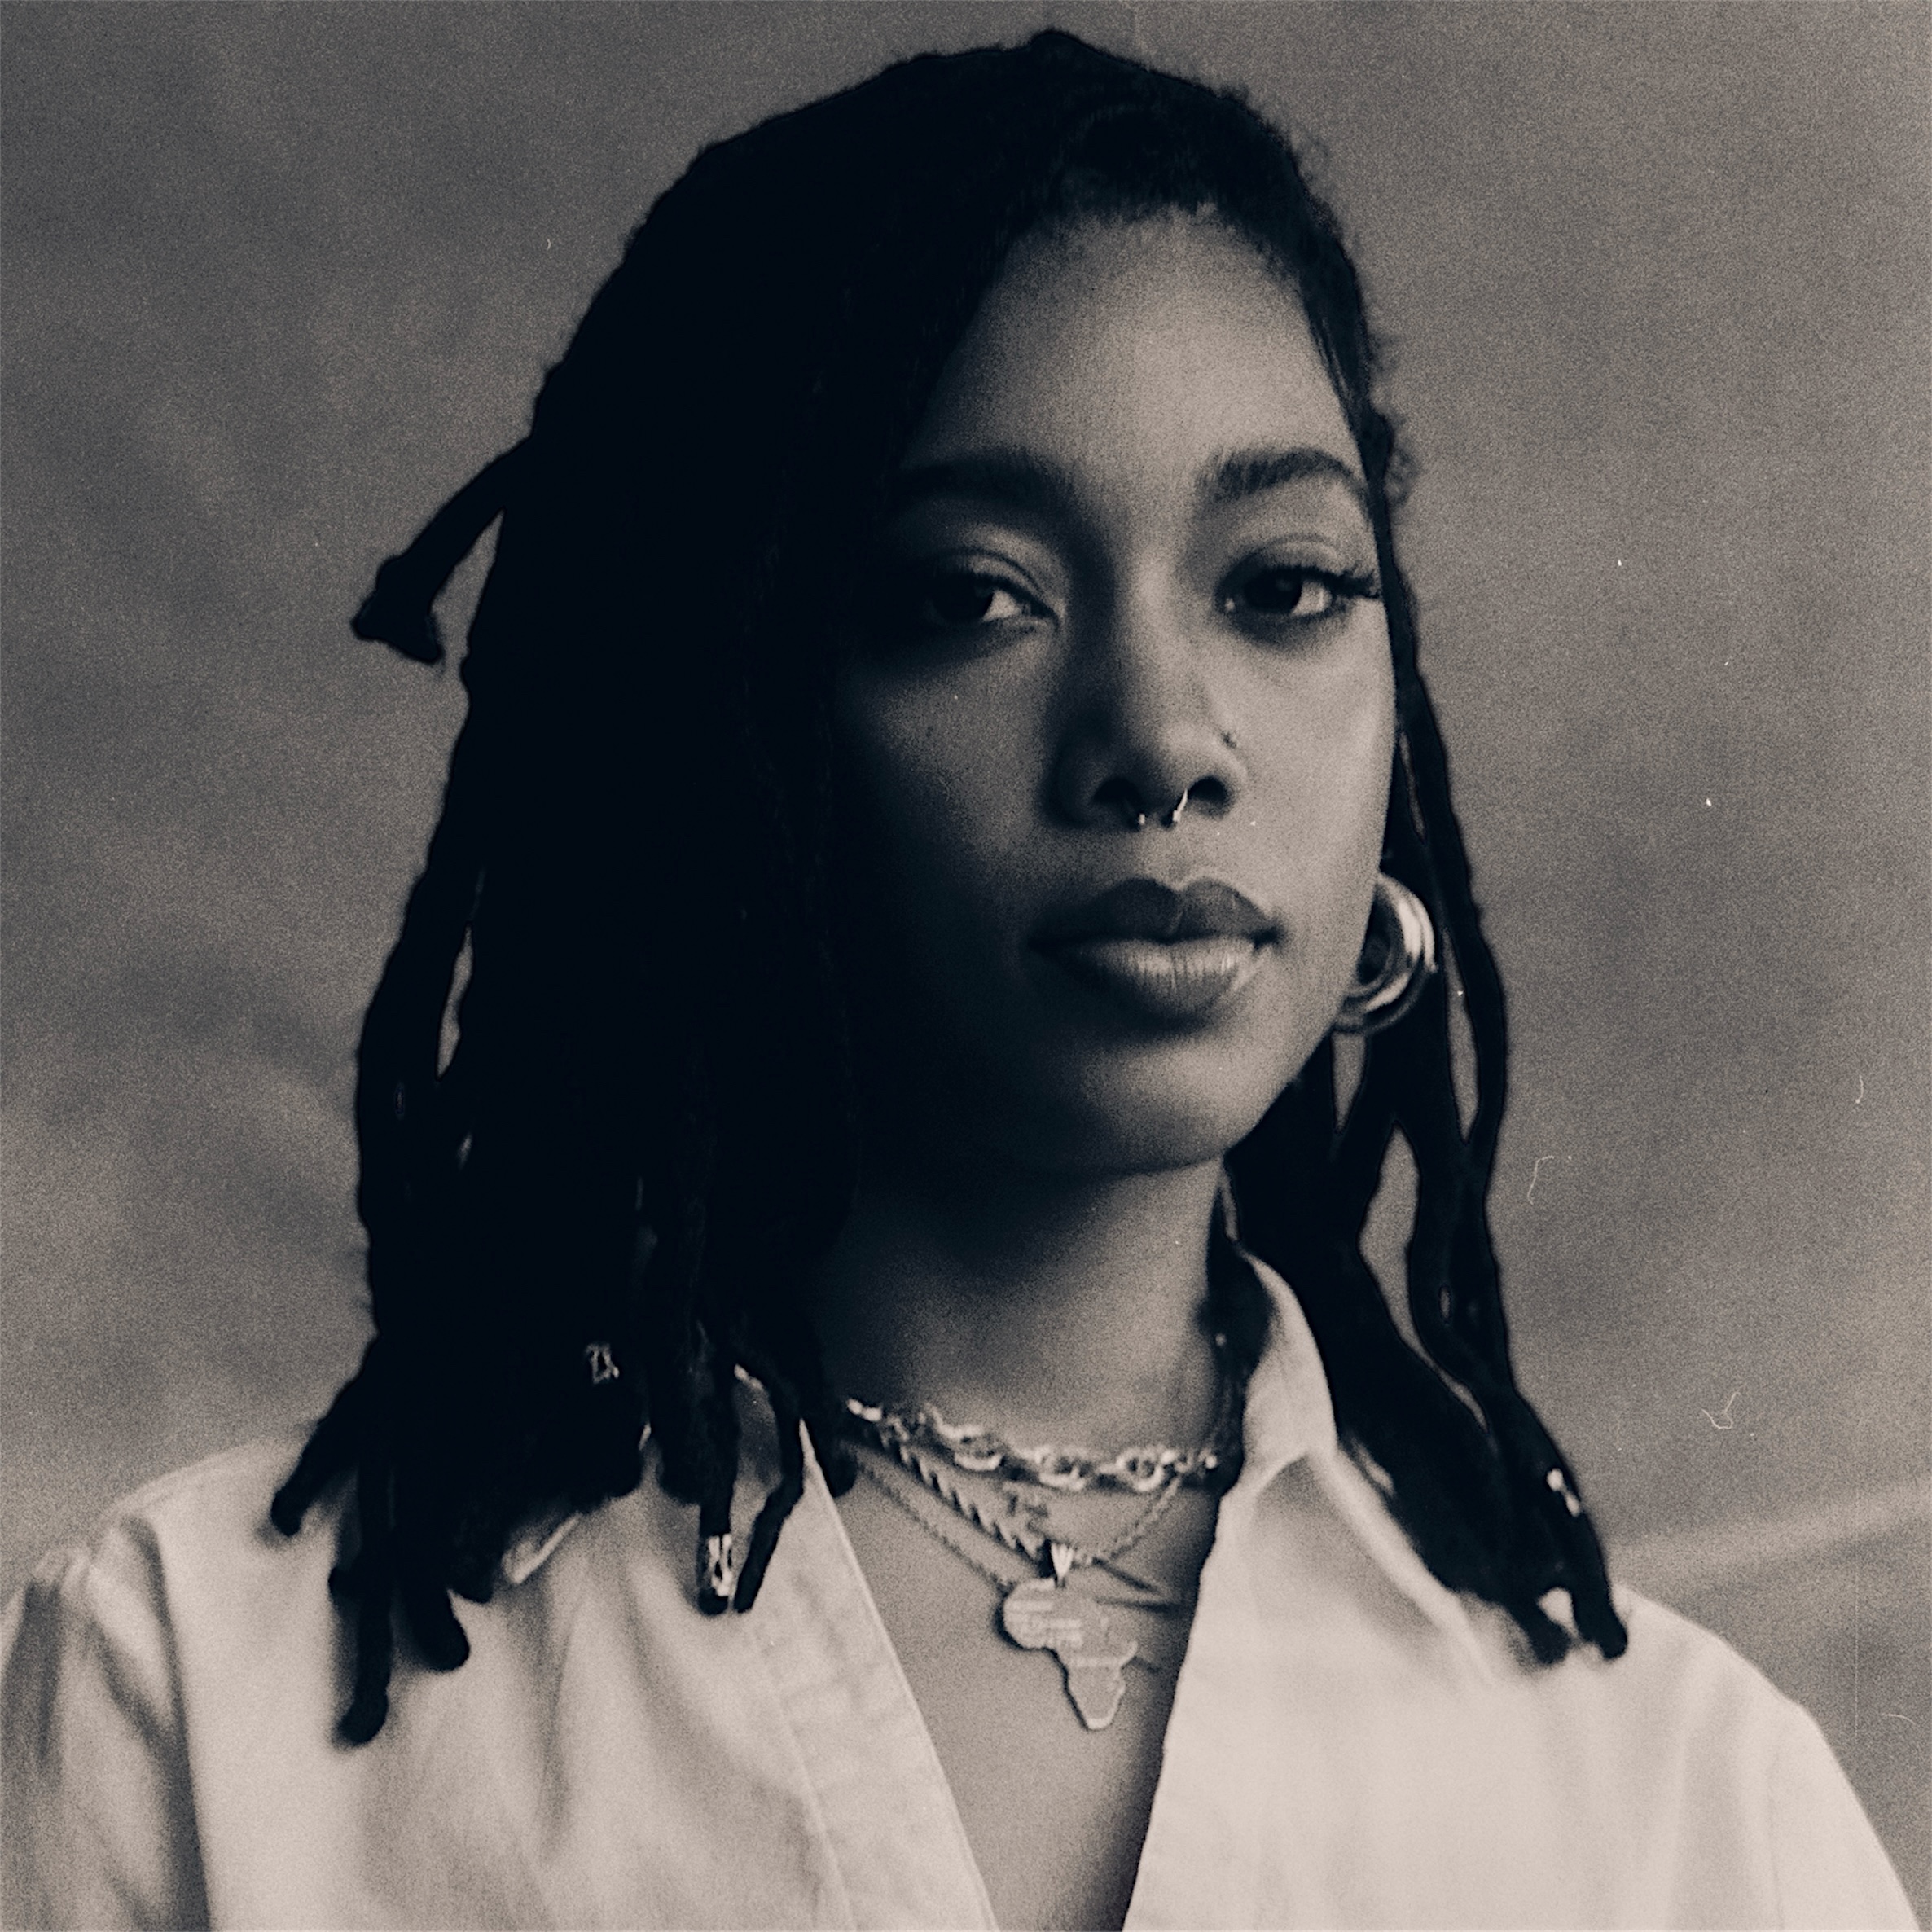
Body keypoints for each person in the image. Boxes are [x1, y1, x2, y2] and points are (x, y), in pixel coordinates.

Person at [2, 30, 1913, 1931]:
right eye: (968, 596)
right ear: (724, 714)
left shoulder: (1688, 1804)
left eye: (1282, 586)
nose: (1164, 735)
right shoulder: (194, 1695)